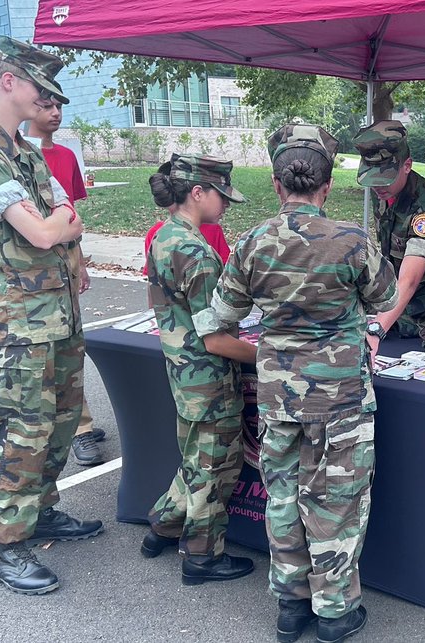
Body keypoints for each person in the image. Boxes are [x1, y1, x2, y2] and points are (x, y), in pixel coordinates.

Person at [194, 124, 397, 643]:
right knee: (336, 501)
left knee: (282, 496)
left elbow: (218, 318)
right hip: (342, 399)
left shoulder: (251, 243)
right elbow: (385, 298)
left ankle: (291, 603)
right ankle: (335, 610)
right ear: (327, 186)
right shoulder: (353, 240)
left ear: (278, 186)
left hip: (279, 398)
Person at [0, 35, 100, 595]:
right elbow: (46, 229)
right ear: (9, 82)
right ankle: (7, 543)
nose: (48, 97)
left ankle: (40, 509)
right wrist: (62, 220)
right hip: (19, 319)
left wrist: (63, 223)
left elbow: (68, 222)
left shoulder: (26, 153)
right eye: (40, 86)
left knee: (62, 419)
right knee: (23, 426)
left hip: (56, 311)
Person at [140, 154, 257, 585]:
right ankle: (202, 557)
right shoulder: (197, 253)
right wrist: (269, 357)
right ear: (197, 192)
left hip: (184, 372)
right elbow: (216, 339)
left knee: (195, 460)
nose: (225, 204)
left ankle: (163, 527)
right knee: (216, 469)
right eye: (221, 195)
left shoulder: (164, 237)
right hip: (209, 377)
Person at [26, 98, 109, 467]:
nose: (55, 113)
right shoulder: (16, 155)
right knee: (52, 346)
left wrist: (81, 261)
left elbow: (73, 217)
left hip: (68, 255)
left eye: (59, 106)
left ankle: (76, 420)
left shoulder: (66, 156)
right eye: (46, 106)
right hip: (36, 264)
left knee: (73, 342)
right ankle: (79, 430)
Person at [354, 120, 425, 338]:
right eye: (372, 178)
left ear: (407, 166)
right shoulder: (383, 193)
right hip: (392, 316)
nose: (377, 185)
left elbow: (409, 280)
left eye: (384, 178)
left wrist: (375, 330)